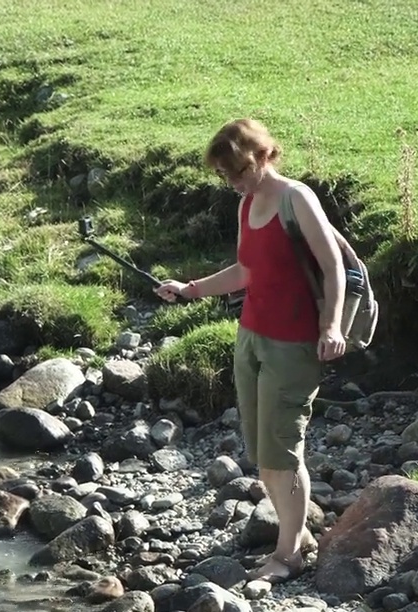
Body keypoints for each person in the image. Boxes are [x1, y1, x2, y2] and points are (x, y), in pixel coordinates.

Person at [155, 117, 347, 583]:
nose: (233, 182)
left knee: (284, 451)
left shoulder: (295, 198)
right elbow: (246, 271)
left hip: (295, 343)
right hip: (252, 336)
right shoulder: (247, 205)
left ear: (264, 156)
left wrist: (332, 324)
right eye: (225, 176)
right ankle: (295, 531)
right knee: (263, 454)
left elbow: (333, 266)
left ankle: (288, 554)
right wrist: (191, 288)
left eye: (238, 171)